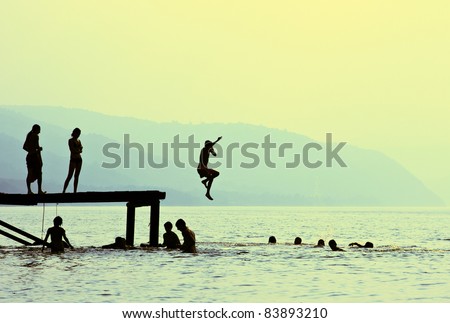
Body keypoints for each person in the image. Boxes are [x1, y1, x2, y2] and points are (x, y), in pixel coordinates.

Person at [23, 124, 45, 194]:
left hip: (29, 156)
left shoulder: (29, 135)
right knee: (39, 173)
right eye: (39, 130)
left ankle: (29, 190)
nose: (40, 132)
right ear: (36, 130)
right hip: (34, 157)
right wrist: (39, 150)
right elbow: (37, 148)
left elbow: (24, 147)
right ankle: (39, 190)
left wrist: (30, 151)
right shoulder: (36, 136)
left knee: (29, 173)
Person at [63, 128, 83, 193]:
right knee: (70, 176)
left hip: (79, 159)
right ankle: (64, 191)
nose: (78, 135)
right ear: (74, 133)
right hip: (73, 159)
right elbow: (72, 150)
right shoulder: (70, 140)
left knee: (76, 176)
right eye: (78, 133)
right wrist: (78, 150)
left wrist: (78, 150)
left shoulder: (78, 141)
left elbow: (81, 149)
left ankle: (75, 191)